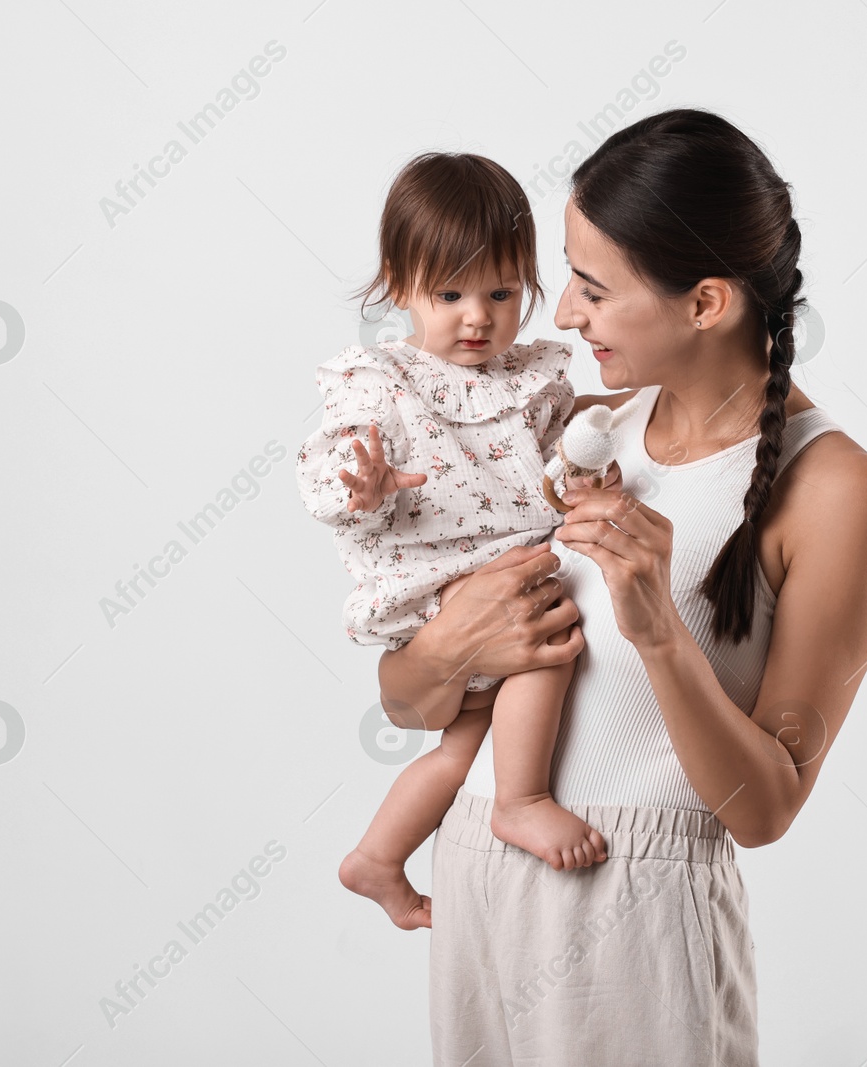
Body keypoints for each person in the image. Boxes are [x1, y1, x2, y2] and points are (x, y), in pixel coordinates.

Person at [375, 109, 867, 1065]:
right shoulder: (582, 430)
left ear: (706, 302)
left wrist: (660, 626)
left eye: (592, 287)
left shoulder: (839, 491)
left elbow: (765, 807)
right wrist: (453, 646)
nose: (563, 316)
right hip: (478, 873)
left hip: (632, 914)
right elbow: (410, 704)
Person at [296, 152, 617, 933]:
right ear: (399, 287)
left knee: (460, 743)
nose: (477, 317)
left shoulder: (533, 378)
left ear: (528, 289)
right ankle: (522, 799)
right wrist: (360, 486)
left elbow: (551, 467)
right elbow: (327, 467)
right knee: (552, 650)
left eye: (501, 294)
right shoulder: (384, 383)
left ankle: (376, 856)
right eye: (449, 294)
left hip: (503, 566)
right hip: (441, 581)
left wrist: (576, 480)